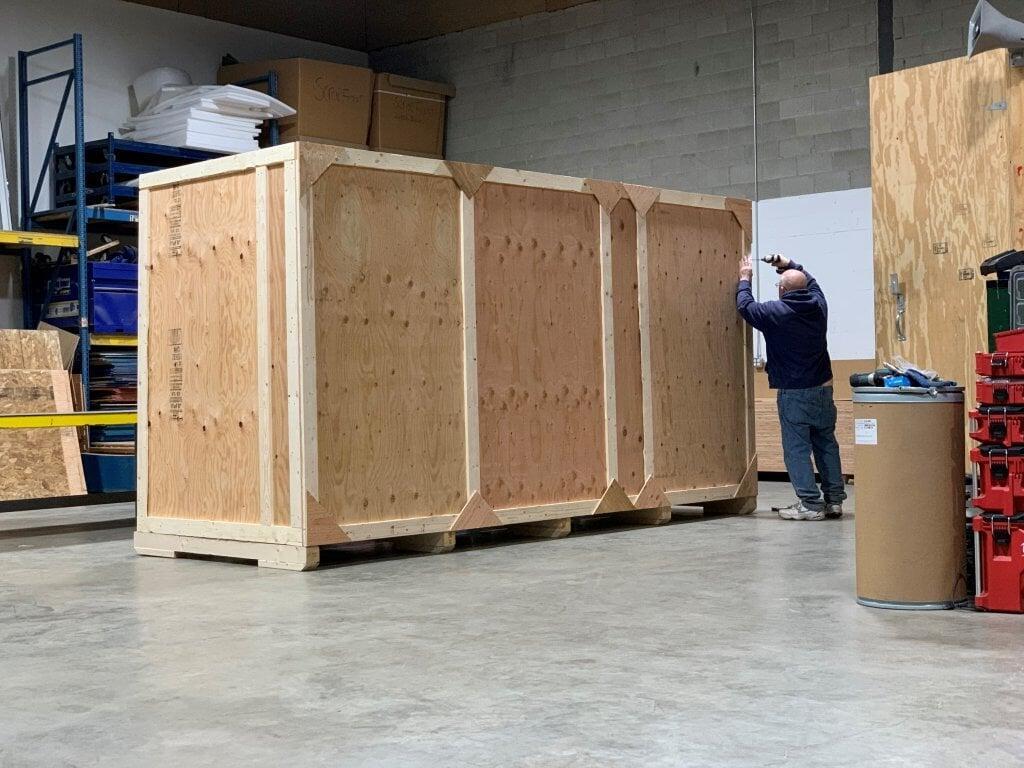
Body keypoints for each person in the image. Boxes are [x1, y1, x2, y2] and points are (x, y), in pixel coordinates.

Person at [736, 253, 846, 521]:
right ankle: (833, 501)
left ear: (782, 290)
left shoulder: (776, 313)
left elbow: (745, 306)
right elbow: (813, 282)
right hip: (823, 390)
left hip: (795, 394)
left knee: (796, 449)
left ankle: (810, 504)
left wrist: (745, 278)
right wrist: (790, 265)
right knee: (826, 444)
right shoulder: (819, 306)